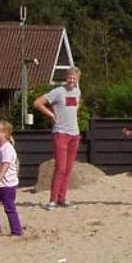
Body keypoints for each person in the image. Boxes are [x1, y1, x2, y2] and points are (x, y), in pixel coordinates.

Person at [33, 68, 82, 208]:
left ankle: (63, 198)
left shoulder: (77, 92)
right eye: (70, 77)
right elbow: (37, 103)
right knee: (60, 167)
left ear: (78, 79)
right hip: (61, 133)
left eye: (75, 78)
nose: (72, 80)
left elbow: (75, 107)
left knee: (68, 168)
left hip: (74, 134)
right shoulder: (58, 92)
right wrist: (51, 115)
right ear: (66, 77)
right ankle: (53, 199)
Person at [0, 119, 24, 237]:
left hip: (8, 184)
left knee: (9, 207)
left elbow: (5, 165)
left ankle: (16, 230)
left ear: (5, 133)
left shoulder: (7, 149)